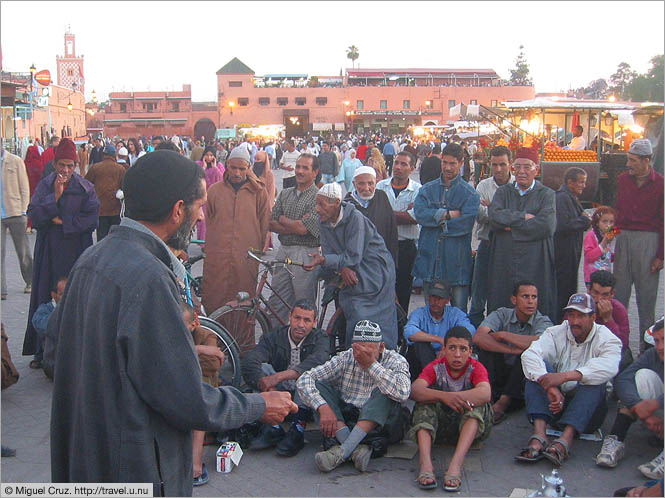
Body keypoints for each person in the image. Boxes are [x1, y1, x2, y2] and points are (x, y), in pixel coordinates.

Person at [48, 150, 297, 494]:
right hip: (133, 465)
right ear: (178, 210)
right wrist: (258, 405)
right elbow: (187, 400)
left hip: (85, 456)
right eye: (198, 208)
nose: (198, 218)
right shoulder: (150, 277)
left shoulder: (92, 258)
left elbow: (56, 350)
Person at [517, 293, 622, 466]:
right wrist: (550, 385)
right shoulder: (556, 332)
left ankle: (565, 440)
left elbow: (608, 366)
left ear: (593, 317)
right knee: (535, 370)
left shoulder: (607, 338)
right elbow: (530, 354)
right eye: (571, 315)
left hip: (588, 414)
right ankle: (540, 435)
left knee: (595, 380)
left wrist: (565, 376)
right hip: (555, 404)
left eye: (580, 316)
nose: (574, 321)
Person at [296, 320, 411, 473]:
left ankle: (342, 452)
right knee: (318, 386)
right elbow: (305, 378)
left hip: (380, 425)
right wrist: (322, 407)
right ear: (352, 347)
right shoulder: (347, 357)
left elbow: (403, 393)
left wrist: (371, 365)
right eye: (359, 349)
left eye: (368, 350)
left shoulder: (395, 360)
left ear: (381, 347)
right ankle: (355, 450)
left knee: (386, 391)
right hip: (348, 421)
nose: (362, 354)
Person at [23, 138, 99, 363]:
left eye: (70, 165)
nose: (65, 170)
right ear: (54, 164)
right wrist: (54, 198)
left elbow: (92, 220)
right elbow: (34, 215)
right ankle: (42, 349)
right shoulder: (45, 186)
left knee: (77, 295)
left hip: (77, 250)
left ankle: (78, 348)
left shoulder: (85, 189)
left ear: (75, 166)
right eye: (61, 165)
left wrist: (62, 221)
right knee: (45, 293)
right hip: (49, 251)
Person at [304, 183, 399, 350]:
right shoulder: (324, 220)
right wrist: (338, 266)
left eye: (322, 204)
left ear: (336, 203)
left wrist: (327, 260)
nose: (317, 209)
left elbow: (353, 256)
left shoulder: (355, 218)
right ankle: (352, 357)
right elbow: (329, 250)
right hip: (349, 266)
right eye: (316, 204)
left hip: (373, 269)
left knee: (362, 313)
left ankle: (382, 354)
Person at [202, 146, 270, 355]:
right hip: (217, 255)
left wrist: (256, 253)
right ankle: (213, 346)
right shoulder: (214, 191)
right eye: (233, 168)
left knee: (243, 302)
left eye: (242, 168)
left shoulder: (259, 192)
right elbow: (208, 220)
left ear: (249, 167)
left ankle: (242, 350)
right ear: (226, 166)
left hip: (245, 257)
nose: (237, 173)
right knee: (214, 298)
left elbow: (264, 224)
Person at [408, 326, 492, 492]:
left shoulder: (475, 367)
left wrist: (457, 398)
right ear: (444, 349)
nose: (457, 354)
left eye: (463, 349)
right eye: (452, 348)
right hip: (440, 428)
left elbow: (485, 393)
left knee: (477, 408)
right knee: (424, 405)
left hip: (468, 429)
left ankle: (455, 465)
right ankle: (425, 464)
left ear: (470, 351)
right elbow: (415, 390)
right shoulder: (436, 367)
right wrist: (445, 396)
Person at [243, 300, 329, 457]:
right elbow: (251, 361)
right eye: (297, 318)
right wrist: (269, 388)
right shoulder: (274, 336)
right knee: (262, 369)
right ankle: (273, 427)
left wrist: (281, 376)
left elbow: (320, 360)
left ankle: (297, 429)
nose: (300, 325)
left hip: (304, 401)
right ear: (290, 317)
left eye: (307, 320)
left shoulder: (320, 337)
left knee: (309, 377)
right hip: (280, 394)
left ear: (315, 322)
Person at [487, 147, 557, 321]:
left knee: (533, 303)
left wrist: (510, 227)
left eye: (527, 167)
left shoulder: (546, 194)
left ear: (537, 169)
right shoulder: (503, 192)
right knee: (502, 303)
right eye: (517, 167)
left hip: (535, 261)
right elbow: (494, 216)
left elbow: (546, 225)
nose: (521, 172)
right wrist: (523, 217)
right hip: (505, 260)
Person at [413, 143, 480, 313]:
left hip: (456, 263)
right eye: (445, 163)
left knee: (459, 311)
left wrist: (434, 219)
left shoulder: (470, 194)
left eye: (452, 163)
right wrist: (448, 215)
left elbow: (465, 225)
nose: (448, 167)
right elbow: (420, 214)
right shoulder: (427, 190)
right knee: (431, 311)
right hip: (431, 260)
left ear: (461, 163)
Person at [473, 281, 553, 424]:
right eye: (525, 296)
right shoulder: (502, 314)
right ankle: (488, 397)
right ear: (514, 300)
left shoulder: (543, 321)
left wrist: (504, 335)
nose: (530, 302)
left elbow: (542, 343)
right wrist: (511, 349)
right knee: (487, 350)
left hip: (519, 383)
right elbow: (479, 337)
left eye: (534, 297)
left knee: (528, 355)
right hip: (498, 373)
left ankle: (502, 404)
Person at [613, 139, 663, 352]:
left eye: (633, 160)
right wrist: (607, 238)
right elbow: (617, 211)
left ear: (646, 161)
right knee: (619, 297)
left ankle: (648, 350)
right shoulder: (623, 180)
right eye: (629, 159)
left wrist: (660, 255)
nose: (629, 164)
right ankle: (619, 350)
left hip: (648, 240)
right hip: (623, 238)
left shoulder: (660, 183)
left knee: (646, 302)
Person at [596, 319, 663, 475]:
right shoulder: (653, 353)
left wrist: (655, 404)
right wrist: (638, 406)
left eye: (664, 340)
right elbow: (624, 378)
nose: (660, 347)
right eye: (657, 340)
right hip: (657, 416)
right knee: (641, 377)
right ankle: (616, 439)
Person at [267, 154, 321, 325]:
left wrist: (284, 220)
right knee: (277, 301)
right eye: (298, 167)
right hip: (284, 251)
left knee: (304, 304)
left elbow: (305, 229)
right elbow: (271, 223)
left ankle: (305, 345)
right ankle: (274, 342)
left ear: (315, 172)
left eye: (305, 168)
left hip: (305, 253)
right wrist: (295, 224)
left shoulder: (318, 197)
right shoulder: (285, 193)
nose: (299, 171)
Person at [468, 146, 515, 327]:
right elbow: (480, 214)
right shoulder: (483, 186)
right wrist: (506, 215)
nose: (498, 169)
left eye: (502, 164)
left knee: (504, 291)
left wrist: (492, 209)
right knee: (479, 292)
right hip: (487, 244)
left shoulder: (517, 186)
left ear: (509, 164)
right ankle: (476, 331)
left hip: (509, 247)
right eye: (494, 165)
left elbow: (520, 216)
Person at [179, 302, 225, 487]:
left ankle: (196, 460)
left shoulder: (206, 334)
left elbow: (211, 366)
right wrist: (198, 350)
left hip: (201, 386)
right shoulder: (167, 333)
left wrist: (181, 354)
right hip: (177, 385)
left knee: (199, 397)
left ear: (194, 323)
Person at [376, 151, 421, 314]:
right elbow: (374, 214)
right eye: (396, 163)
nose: (398, 167)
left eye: (404, 164)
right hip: (382, 246)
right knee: (380, 289)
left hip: (406, 248)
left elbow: (415, 217)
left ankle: (400, 331)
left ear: (412, 168)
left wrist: (385, 212)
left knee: (403, 291)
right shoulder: (380, 187)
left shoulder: (418, 190)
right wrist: (403, 213)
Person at [404, 280, 476, 380]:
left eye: (440, 298)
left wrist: (448, 347)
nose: (436, 302)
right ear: (428, 297)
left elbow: (470, 331)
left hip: (448, 358)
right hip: (422, 362)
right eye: (433, 297)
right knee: (420, 345)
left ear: (447, 300)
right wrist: (439, 339)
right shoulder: (420, 313)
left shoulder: (455, 313)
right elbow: (409, 331)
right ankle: (431, 380)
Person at [553, 167, 592, 323]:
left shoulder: (571, 197)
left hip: (570, 252)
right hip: (564, 253)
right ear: (570, 182)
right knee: (563, 290)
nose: (583, 185)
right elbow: (562, 225)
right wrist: (584, 220)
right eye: (581, 182)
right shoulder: (562, 198)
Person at [344, 166, 398, 265]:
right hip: (356, 263)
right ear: (354, 184)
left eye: (370, 183)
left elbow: (391, 230)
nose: (366, 188)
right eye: (361, 183)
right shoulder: (346, 205)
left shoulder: (381, 197)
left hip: (380, 260)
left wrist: (391, 261)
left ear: (376, 182)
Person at [1, 145, 33, 300]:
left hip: (15, 212)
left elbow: (24, 186)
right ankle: (2, 289)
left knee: (23, 252)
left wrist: (23, 209)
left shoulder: (15, 161)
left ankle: (30, 281)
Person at [588, 270, 631, 367]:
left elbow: (623, 344)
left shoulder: (619, 310)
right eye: (596, 293)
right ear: (589, 290)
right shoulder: (581, 304)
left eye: (605, 295)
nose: (599, 299)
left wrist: (608, 319)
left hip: (608, 352)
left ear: (612, 294)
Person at [85, 144, 126, 241]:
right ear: (114, 155)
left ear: (104, 155)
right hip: (115, 209)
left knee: (102, 238)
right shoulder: (120, 169)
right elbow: (124, 187)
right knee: (115, 238)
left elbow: (86, 185)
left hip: (100, 210)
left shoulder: (95, 168)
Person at [30, 276, 66, 370]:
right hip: (54, 362)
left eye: (70, 293)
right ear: (54, 295)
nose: (67, 297)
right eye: (63, 294)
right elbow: (45, 326)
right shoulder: (44, 310)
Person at [194, 145, 224, 243]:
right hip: (202, 197)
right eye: (207, 155)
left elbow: (221, 181)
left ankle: (212, 242)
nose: (209, 158)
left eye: (211, 155)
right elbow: (196, 180)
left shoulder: (219, 166)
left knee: (213, 220)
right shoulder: (198, 164)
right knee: (202, 222)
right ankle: (203, 243)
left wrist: (215, 168)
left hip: (214, 198)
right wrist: (203, 168)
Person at [583, 206, 617, 285]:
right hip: (592, 277)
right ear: (597, 222)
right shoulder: (591, 235)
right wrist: (604, 242)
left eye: (611, 222)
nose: (608, 225)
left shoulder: (609, 235)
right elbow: (588, 256)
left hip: (605, 276)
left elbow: (609, 257)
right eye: (604, 221)